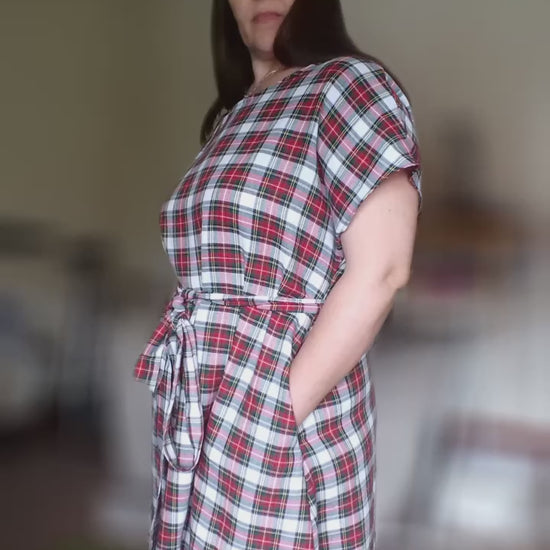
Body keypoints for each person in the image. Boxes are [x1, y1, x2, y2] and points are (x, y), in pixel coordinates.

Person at [133, 0, 422, 548]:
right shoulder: (234, 114)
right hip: (203, 396)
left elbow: (382, 270)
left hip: (281, 403)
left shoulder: (349, 84)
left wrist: (273, 410)